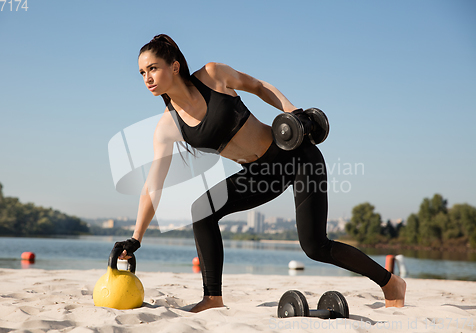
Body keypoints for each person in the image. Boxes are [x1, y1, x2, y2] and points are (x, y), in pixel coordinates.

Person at [113, 34, 406, 313]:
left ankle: (391, 283)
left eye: (152, 68)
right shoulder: (167, 127)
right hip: (259, 174)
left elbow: (259, 86)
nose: (147, 78)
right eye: (141, 73)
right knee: (201, 210)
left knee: (315, 246)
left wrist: (294, 112)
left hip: (295, 155)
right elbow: (153, 187)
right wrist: (136, 238)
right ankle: (212, 297)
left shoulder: (213, 75)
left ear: (174, 66)